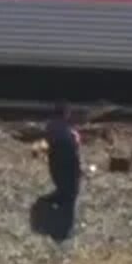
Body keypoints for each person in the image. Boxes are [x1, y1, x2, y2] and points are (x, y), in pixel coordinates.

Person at [42, 101, 82, 242]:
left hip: (56, 159)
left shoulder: (51, 126)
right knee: (71, 187)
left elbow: (48, 140)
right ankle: (65, 202)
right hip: (68, 159)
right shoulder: (68, 130)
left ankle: (60, 193)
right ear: (66, 114)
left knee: (60, 179)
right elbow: (75, 143)